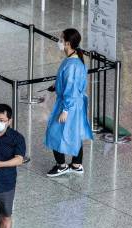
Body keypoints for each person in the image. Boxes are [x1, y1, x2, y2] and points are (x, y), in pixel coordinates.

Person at [45, 28, 93, 177]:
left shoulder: (72, 64)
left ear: (67, 43)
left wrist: (65, 110)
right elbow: (69, 83)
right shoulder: (74, 59)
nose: (59, 42)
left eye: (61, 39)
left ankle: (62, 165)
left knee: (54, 132)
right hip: (75, 104)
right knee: (75, 133)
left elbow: (71, 89)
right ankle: (77, 164)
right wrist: (56, 85)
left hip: (69, 104)